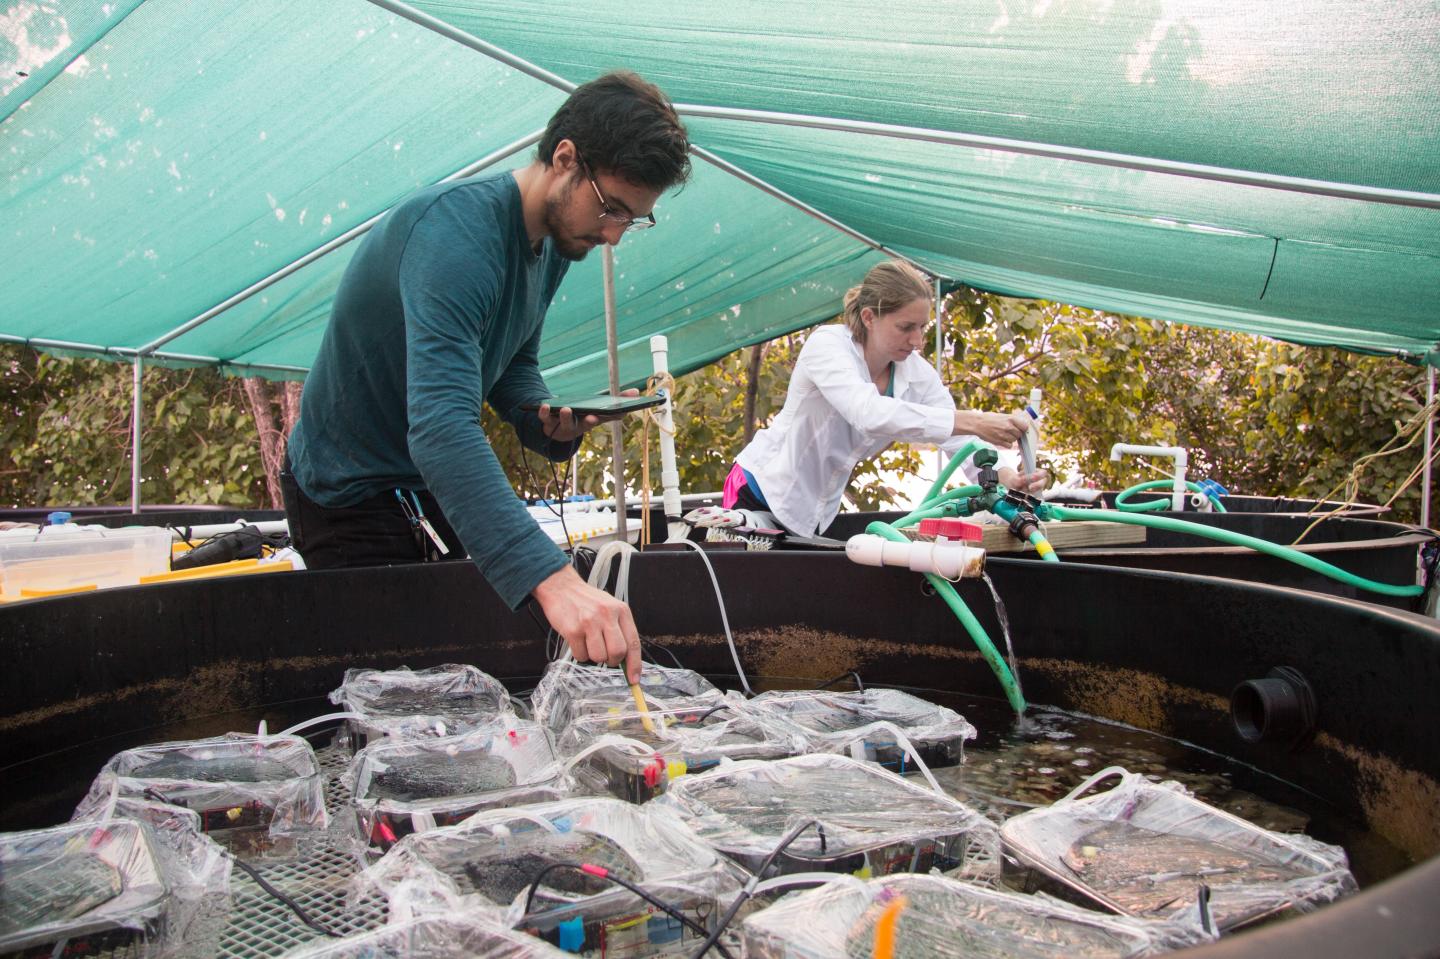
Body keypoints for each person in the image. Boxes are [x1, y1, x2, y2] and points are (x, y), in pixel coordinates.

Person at [282, 72, 691, 684]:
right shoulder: (452, 236)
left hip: (422, 489)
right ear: (565, 158)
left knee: (459, 676)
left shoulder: (554, 244)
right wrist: (555, 579)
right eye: (611, 209)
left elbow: (511, 361)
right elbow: (442, 428)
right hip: (347, 490)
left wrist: (545, 417)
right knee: (392, 694)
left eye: (632, 221)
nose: (611, 235)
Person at [725, 260, 1048, 538]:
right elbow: (868, 412)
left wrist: (1008, 478)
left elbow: (958, 442)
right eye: (906, 327)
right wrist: (976, 420)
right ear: (869, 317)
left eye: (922, 327)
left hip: (814, 512)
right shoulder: (828, 345)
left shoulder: (916, 372)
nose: (918, 340)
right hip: (757, 491)